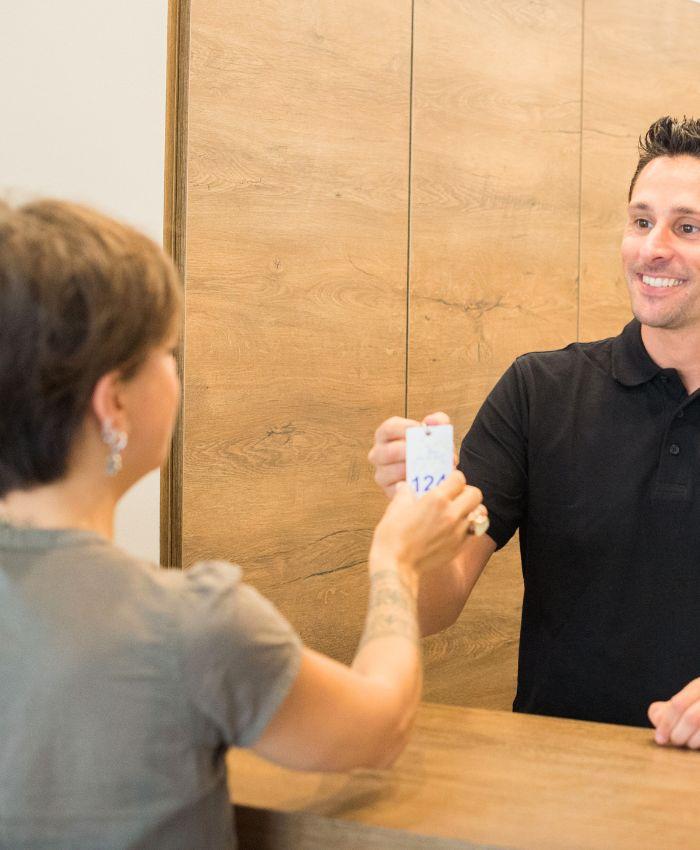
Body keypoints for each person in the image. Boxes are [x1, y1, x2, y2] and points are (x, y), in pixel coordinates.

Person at [0, 198, 486, 850]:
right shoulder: (193, 624)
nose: (177, 372)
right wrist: (395, 562)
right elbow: (379, 727)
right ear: (112, 402)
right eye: (166, 352)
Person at [369, 115, 700, 750]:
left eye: (686, 227)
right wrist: (416, 518)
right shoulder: (538, 391)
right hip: (556, 779)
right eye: (640, 221)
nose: (653, 247)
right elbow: (432, 610)